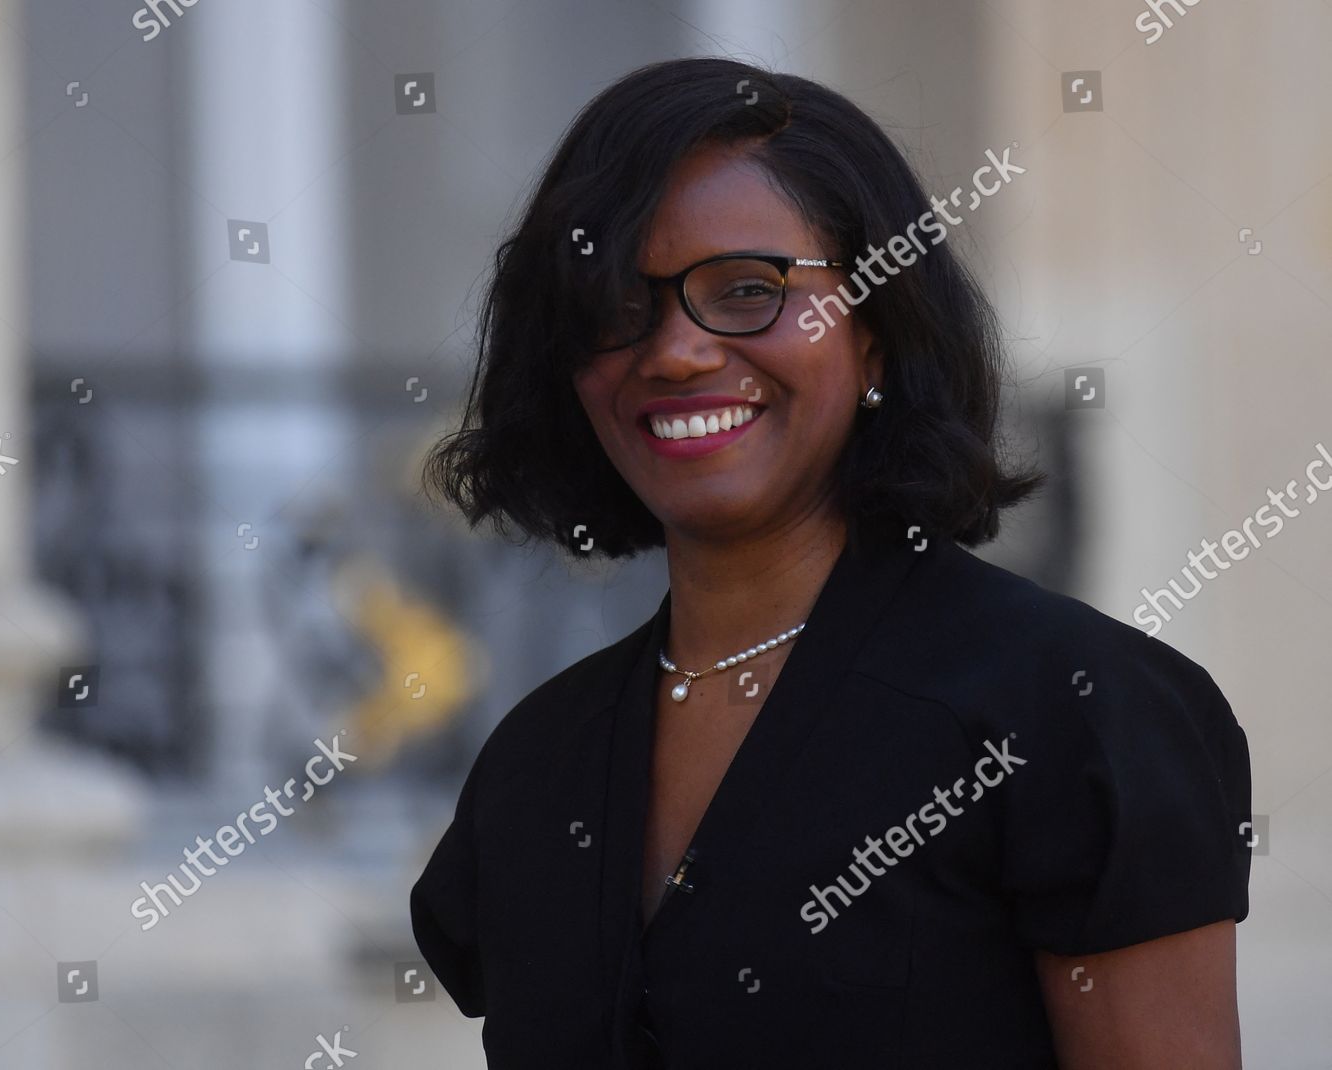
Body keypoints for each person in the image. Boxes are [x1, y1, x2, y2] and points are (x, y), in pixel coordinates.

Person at [410, 56, 1251, 1069]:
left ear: (878, 335)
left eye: (748, 290)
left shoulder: (1074, 708)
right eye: (616, 305)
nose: (674, 351)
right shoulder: (536, 766)